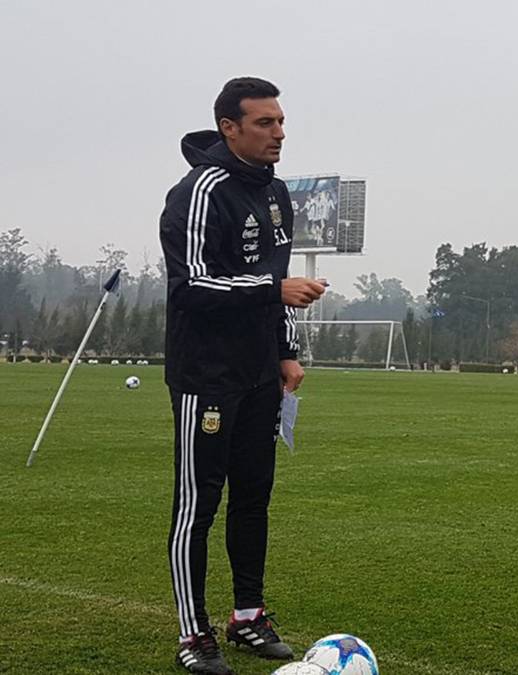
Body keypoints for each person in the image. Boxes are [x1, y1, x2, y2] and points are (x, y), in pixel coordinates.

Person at [159, 76, 326, 674]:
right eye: (265, 123)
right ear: (229, 127)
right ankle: (192, 633)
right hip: (206, 374)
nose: (278, 133)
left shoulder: (278, 192)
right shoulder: (198, 191)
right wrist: (271, 288)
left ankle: (248, 617)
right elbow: (192, 287)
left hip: (259, 372)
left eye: (281, 122)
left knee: (253, 497)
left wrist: (285, 348)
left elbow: (272, 283)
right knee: (197, 504)